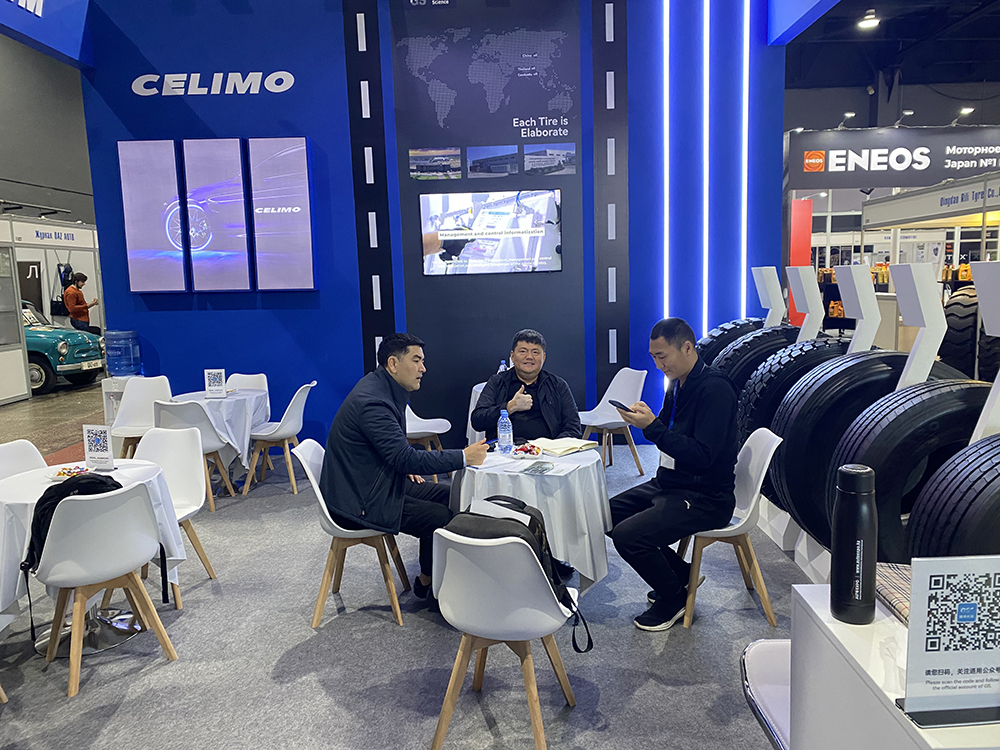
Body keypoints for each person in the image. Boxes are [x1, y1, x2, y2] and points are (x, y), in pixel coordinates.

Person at [320, 332, 488, 604]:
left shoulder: (381, 387)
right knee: (439, 516)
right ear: (393, 363)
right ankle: (429, 585)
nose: (423, 368)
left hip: (368, 484)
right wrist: (463, 457)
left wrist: (399, 460)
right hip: (357, 502)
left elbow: (394, 453)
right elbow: (405, 458)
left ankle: (437, 576)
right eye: (417, 360)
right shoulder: (374, 402)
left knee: (449, 495)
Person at [608, 318, 739, 631]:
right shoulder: (678, 384)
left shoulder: (715, 390)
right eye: (654, 357)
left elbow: (702, 455)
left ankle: (674, 597)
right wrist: (647, 419)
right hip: (672, 483)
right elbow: (667, 431)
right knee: (606, 514)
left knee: (628, 537)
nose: (658, 364)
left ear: (687, 348)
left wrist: (652, 427)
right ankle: (681, 575)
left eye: (662, 356)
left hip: (707, 496)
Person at [470, 328, 582, 442]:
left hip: (547, 450)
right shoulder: (497, 382)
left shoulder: (558, 385)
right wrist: (510, 407)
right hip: (506, 449)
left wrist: (553, 446)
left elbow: (573, 427)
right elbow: (477, 421)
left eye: (535, 352)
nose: (529, 357)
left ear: (543, 357)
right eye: (523, 351)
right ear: (512, 356)